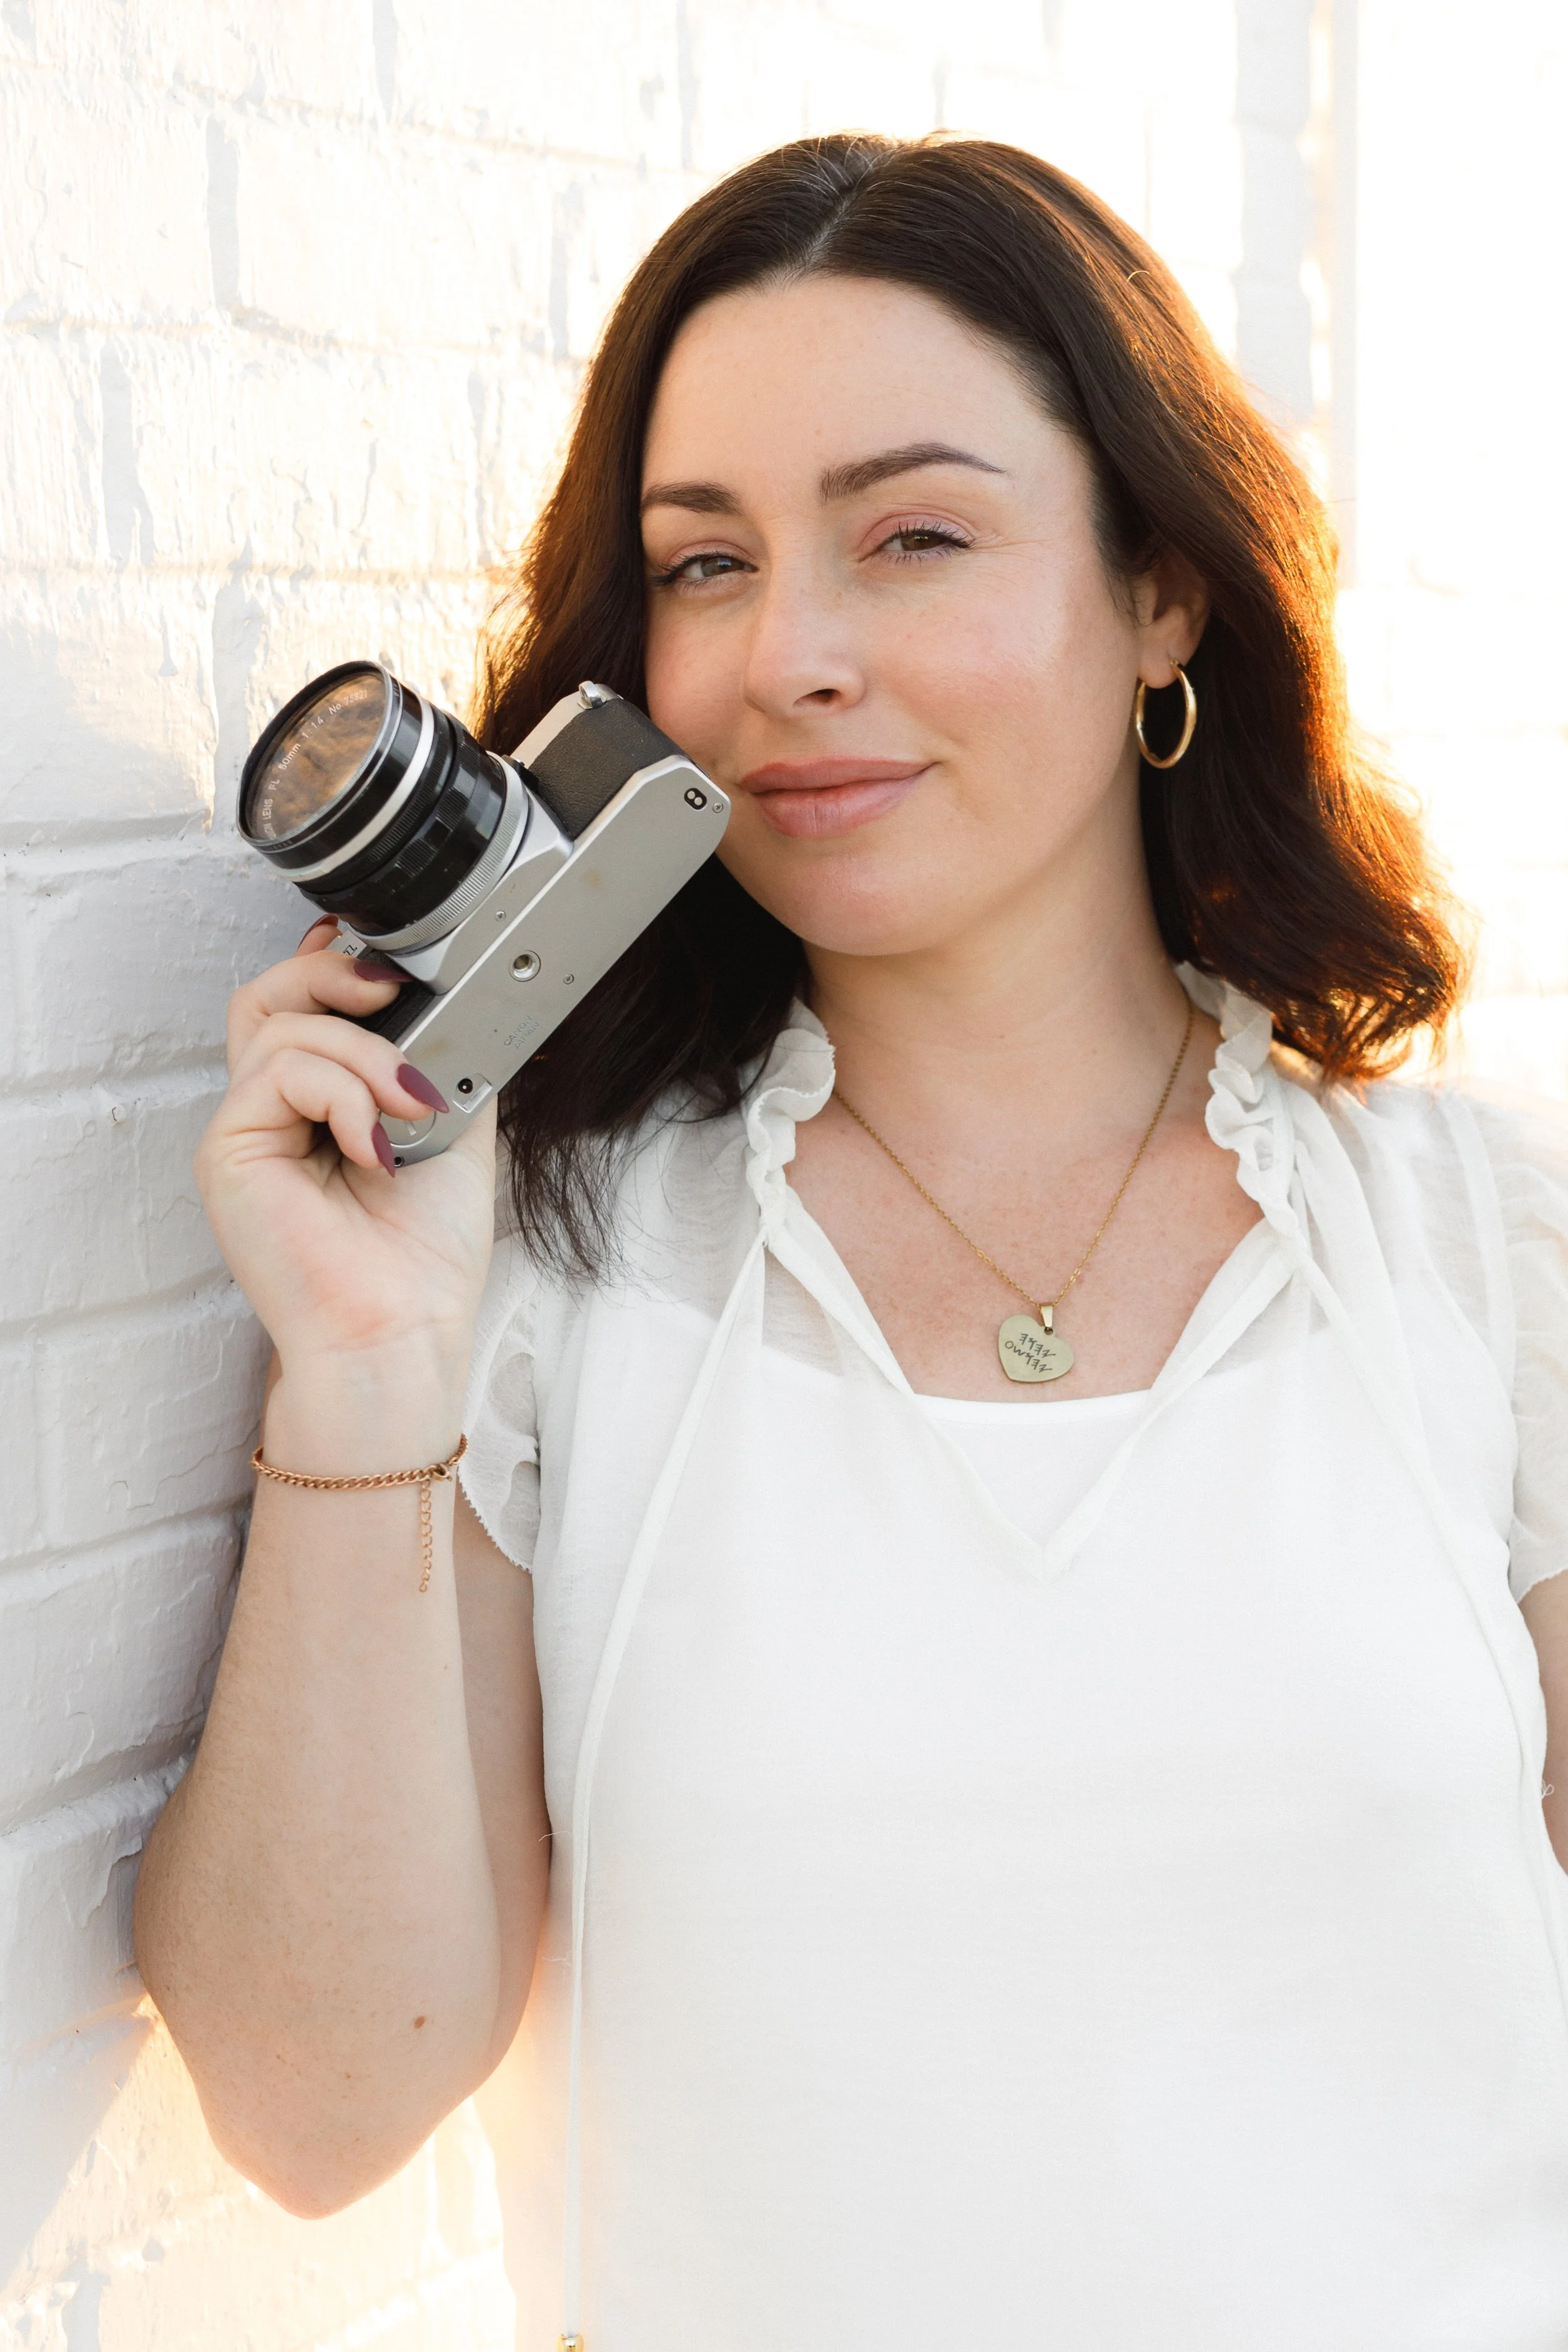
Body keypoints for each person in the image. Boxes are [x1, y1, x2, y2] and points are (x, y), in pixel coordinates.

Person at [134, 134, 1568, 2350]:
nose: (786, 654)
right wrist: (357, 1375)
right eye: (701, 566)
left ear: (1160, 590)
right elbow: (317, 2109)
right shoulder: (537, 1260)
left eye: (912, 536)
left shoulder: (1477, 1235)